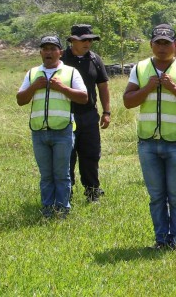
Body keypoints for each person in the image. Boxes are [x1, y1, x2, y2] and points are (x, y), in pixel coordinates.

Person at [123, 24, 176, 250]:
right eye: (158, 42)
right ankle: (161, 240)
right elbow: (128, 101)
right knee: (157, 196)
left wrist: (174, 87)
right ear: (151, 45)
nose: (162, 47)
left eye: (167, 43)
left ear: (175, 46)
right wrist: (147, 87)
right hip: (148, 142)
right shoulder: (140, 68)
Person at [17, 35, 88, 218]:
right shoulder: (33, 73)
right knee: (46, 175)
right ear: (40, 52)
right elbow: (21, 100)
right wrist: (33, 87)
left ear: (60, 52)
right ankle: (48, 210)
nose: (49, 52)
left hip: (62, 130)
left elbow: (83, 97)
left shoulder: (71, 72)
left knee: (62, 174)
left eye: (52, 49)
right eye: (45, 49)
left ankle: (63, 210)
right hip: (39, 131)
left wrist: (62, 88)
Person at [61, 24, 110, 203]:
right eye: (83, 40)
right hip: (66, 115)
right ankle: (67, 193)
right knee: (67, 156)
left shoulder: (95, 59)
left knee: (90, 154)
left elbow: (103, 86)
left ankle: (92, 192)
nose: (88, 43)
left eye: (90, 40)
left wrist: (107, 111)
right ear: (72, 40)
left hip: (89, 115)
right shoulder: (62, 59)